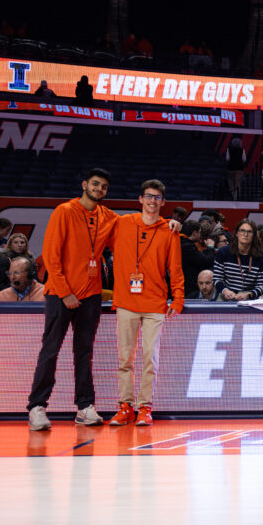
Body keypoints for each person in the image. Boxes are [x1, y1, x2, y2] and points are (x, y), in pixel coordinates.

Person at [27, 168, 117, 431]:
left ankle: (85, 407)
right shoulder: (64, 211)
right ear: (84, 185)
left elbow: (133, 228)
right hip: (60, 293)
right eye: (95, 184)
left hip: (91, 295)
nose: (99, 190)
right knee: (50, 350)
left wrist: (168, 223)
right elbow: (51, 254)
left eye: (103, 187)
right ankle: (37, 407)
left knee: (85, 352)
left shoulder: (108, 217)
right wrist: (65, 291)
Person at [108, 179, 184, 428]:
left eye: (157, 197)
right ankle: (125, 406)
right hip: (127, 301)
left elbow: (175, 267)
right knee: (125, 359)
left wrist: (179, 297)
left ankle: (145, 407)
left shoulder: (170, 230)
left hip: (155, 302)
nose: (152, 201)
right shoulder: (122, 223)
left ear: (163, 202)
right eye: (148, 196)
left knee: (150, 357)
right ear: (140, 199)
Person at [212, 219, 263, 301]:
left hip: (249, 299)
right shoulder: (223, 252)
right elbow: (217, 278)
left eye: (249, 232)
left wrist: (249, 294)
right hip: (226, 296)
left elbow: (262, 285)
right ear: (236, 233)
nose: (245, 234)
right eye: (242, 231)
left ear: (254, 236)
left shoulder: (261, 258)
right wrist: (225, 290)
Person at [179, 221, 214, 298]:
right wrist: (210, 247)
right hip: (187, 287)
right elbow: (206, 262)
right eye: (200, 232)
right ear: (195, 233)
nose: (200, 235)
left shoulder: (181, 242)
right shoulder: (186, 246)